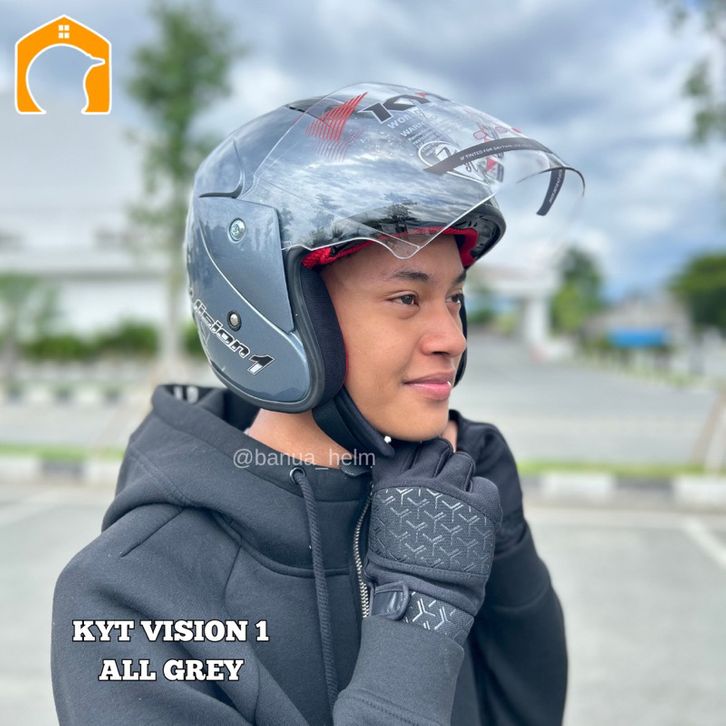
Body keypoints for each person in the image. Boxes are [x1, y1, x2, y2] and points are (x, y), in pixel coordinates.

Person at [51, 82, 583, 725]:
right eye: (407, 298)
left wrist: (508, 557)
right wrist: (419, 614)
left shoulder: (431, 511)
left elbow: (523, 712)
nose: (452, 338)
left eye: (454, 298)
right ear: (278, 312)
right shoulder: (128, 594)